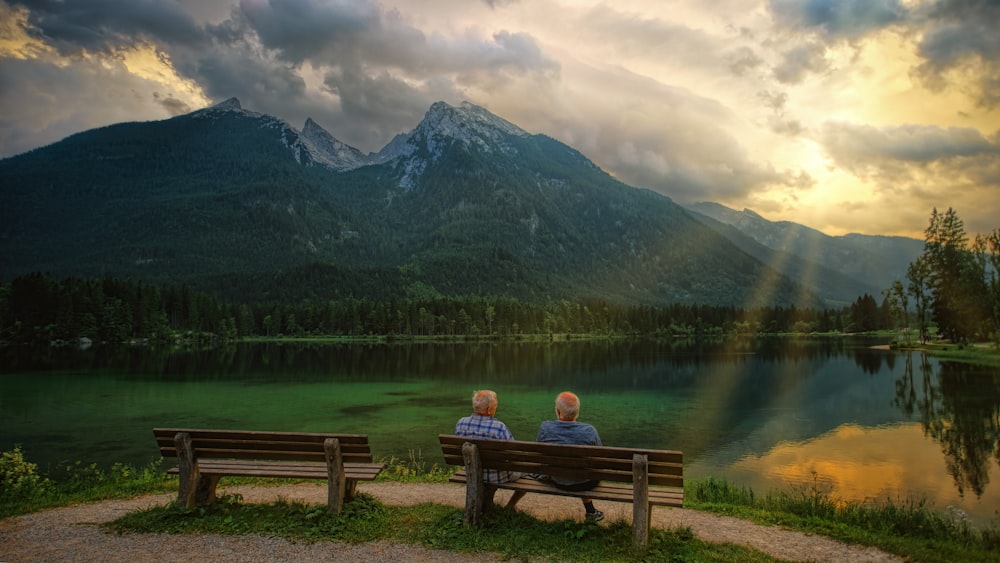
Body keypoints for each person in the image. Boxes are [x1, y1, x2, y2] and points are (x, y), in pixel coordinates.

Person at [536, 391, 604, 521]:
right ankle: (591, 511)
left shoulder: (546, 428)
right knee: (582, 470)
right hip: (585, 483)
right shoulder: (589, 431)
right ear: (577, 412)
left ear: (557, 411)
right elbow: (599, 460)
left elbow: (540, 454)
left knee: (570, 468)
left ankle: (591, 510)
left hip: (557, 480)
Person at [454, 389, 523, 508]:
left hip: (470, 472)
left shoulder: (461, 423)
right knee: (526, 470)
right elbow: (514, 453)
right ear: (490, 409)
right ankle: (510, 506)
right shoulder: (499, 428)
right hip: (496, 476)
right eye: (495, 406)